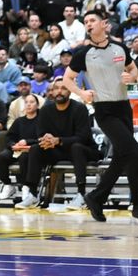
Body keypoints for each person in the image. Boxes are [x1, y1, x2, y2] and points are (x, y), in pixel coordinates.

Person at [63, 9, 138, 222]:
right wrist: (82, 93)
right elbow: (67, 79)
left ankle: (96, 197)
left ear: (104, 24)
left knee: (123, 155)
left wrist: (131, 77)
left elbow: (135, 72)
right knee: (133, 151)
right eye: (85, 21)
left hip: (124, 107)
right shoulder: (83, 54)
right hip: (104, 110)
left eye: (92, 20)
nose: (88, 24)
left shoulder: (120, 48)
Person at [17, 78, 100, 210]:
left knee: (76, 147)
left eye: (63, 88)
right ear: (52, 91)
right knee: (35, 149)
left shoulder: (79, 108)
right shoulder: (46, 109)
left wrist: (59, 140)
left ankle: (81, 194)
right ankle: (32, 194)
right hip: (57, 150)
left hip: (84, 150)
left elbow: (83, 137)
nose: (59, 91)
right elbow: (41, 134)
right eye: (56, 88)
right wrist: (46, 139)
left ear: (70, 91)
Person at [0, 94, 41, 203]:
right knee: (1, 157)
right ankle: (7, 184)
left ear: (37, 105)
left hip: (32, 151)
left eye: (32, 102)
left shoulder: (41, 121)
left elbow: (42, 138)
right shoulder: (19, 121)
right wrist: (13, 145)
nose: (29, 104)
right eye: (26, 102)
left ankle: (26, 186)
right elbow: (9, 137)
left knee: (24, 157)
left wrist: (27, 142)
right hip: (17, 149)